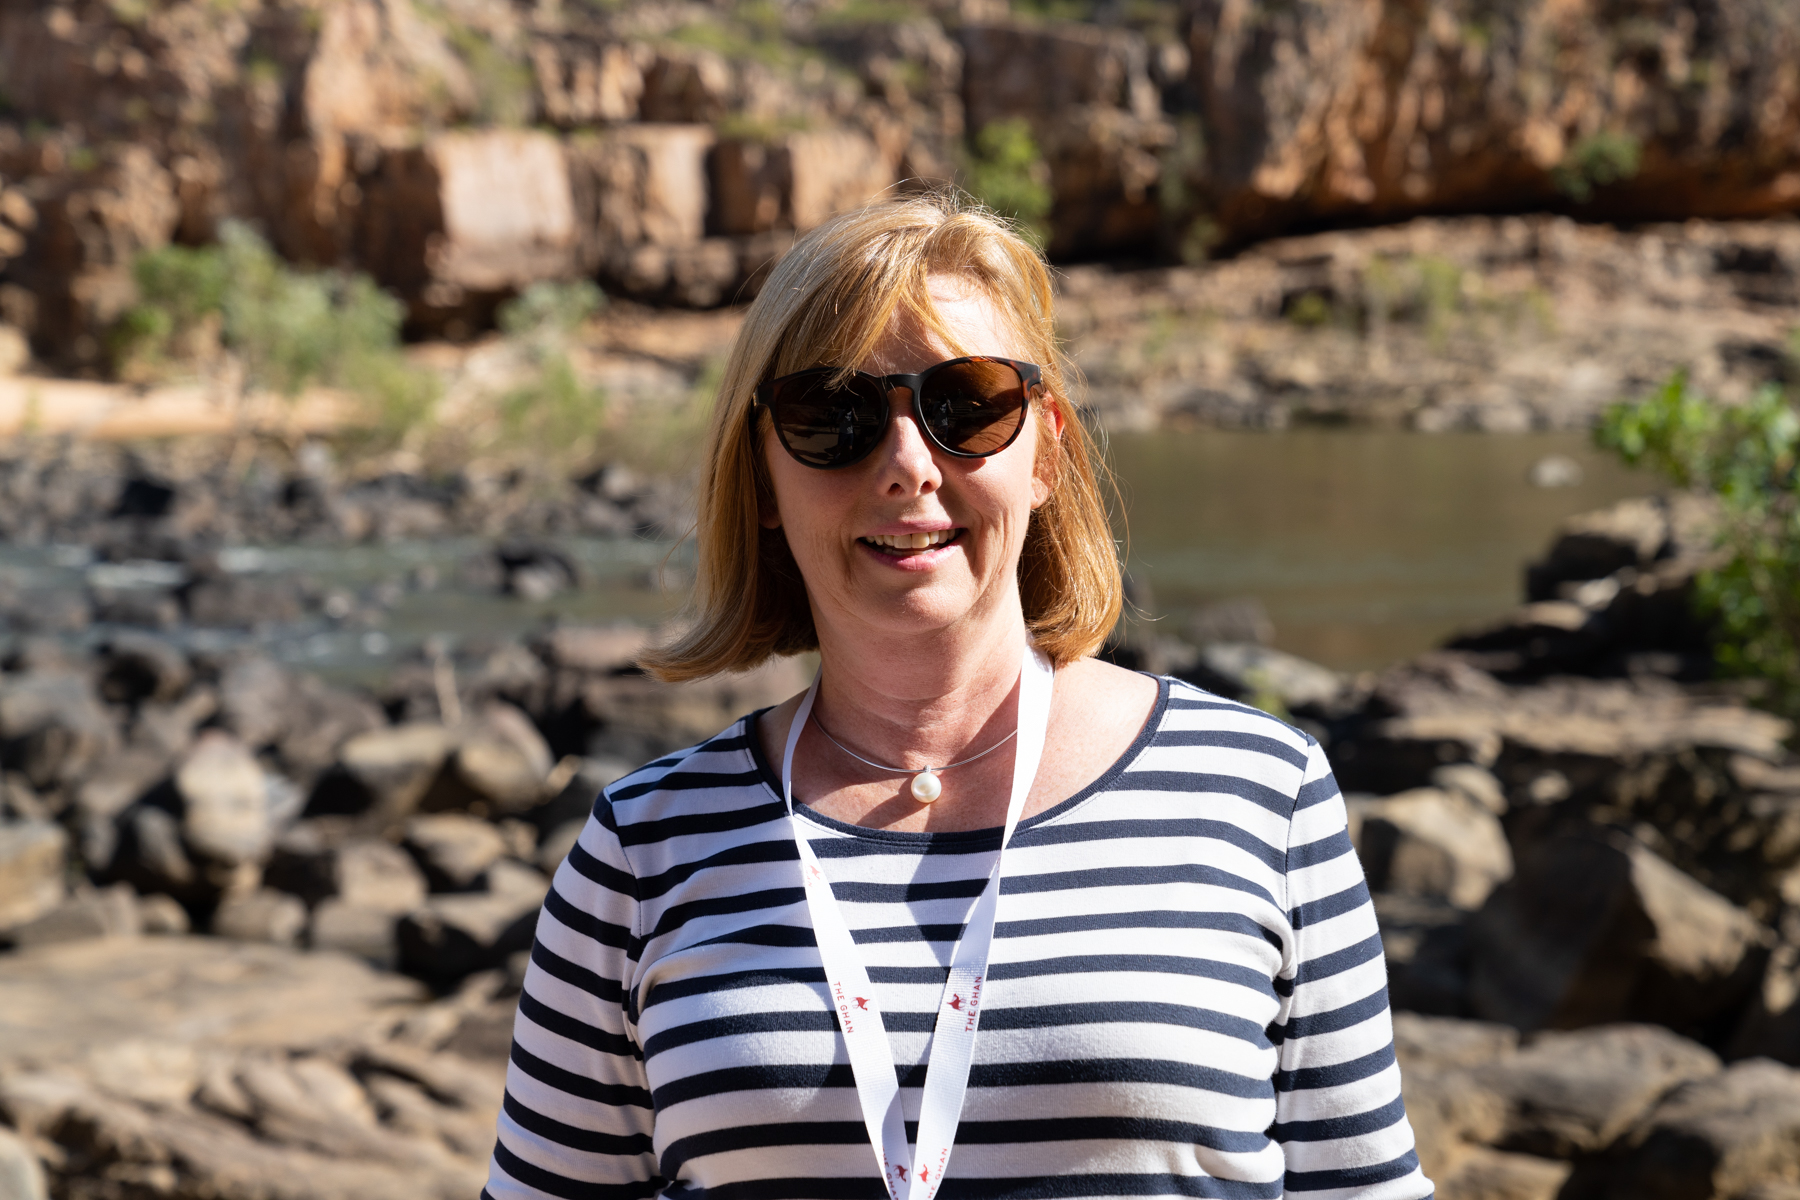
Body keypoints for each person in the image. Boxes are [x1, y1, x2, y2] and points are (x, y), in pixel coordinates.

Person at [482, 194, 1433, 1200]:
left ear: (1048, 454)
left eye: (969, 405)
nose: (905, 466)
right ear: (761, 476)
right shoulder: (642, 851)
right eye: (830, 415)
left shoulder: (1258, 795)